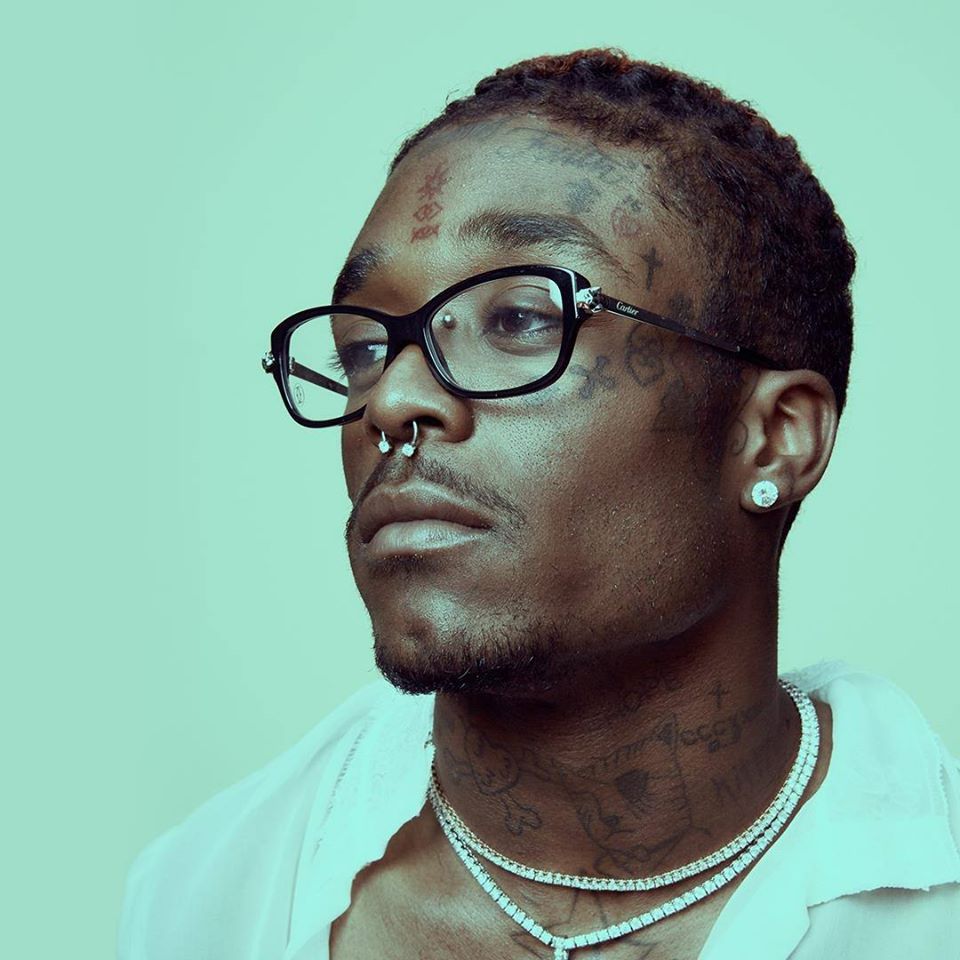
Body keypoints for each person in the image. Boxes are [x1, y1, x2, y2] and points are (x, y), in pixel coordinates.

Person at [119, 49, 960, 959]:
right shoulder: (204, 900)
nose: (393, 400)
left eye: (519, 319)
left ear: (773, 438)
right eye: (364, 348)